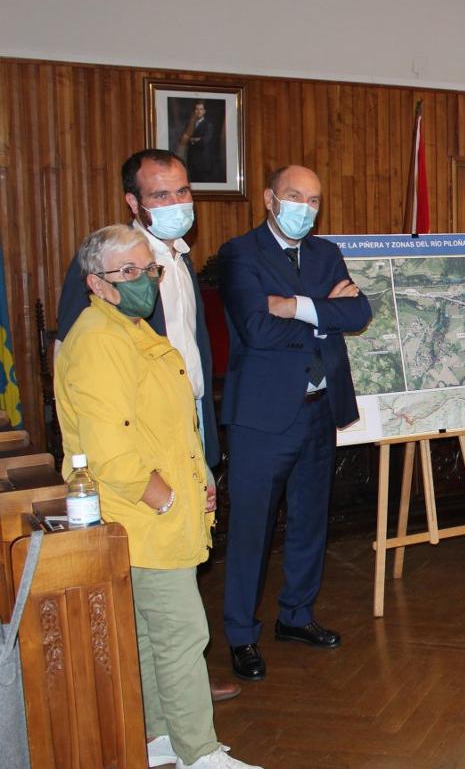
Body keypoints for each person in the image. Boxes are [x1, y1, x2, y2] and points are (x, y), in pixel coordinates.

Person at [55, 225, 260, 769]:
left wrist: (199, 480)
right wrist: (167, 499)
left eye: (149, 269)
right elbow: (111, 450)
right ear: (97, 283)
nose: (144, 280)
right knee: (183, 633)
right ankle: (200, 752)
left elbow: (167, 425)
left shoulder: (132, 331)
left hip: (156, 511)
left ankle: (162, 736)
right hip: (142, 515)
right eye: (129, 271)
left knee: (151, 634)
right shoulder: (98, 341)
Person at [54, 148, 237, 703]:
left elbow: (192, 351)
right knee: (159, 575)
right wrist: (158, 490)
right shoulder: (110, 264)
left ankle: (181, 677)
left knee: (185, 564)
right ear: (134, 203)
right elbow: (79, 363)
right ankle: (176, 684)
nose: (177, 203)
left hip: (188, 423)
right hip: (138, 447)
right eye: (161, 194)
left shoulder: (177, 260)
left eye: (183, 192)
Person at [218, 165, 372, 682]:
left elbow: (359, 314)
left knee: (310, 520)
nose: (305, 208)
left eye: (314, 200)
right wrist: (325, 312)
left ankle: (296, 616)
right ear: (269, 198)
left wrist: (295, 306)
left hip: (319, 409)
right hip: (262, 417)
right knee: (252, 529)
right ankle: (241, 634)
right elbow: (257, 329)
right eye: (294, 196)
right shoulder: (241, 253)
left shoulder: (326, 253)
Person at [183, 101, 218, 183]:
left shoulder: (208, 125)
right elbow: (184, 140)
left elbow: (205, 141)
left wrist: (192, 139)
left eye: (201, 109)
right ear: (194, 111)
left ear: (204, 111)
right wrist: (197, 139)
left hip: (203, 163)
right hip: (191, 162)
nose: (199, 111)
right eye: (197, 109)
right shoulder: (189, 124)